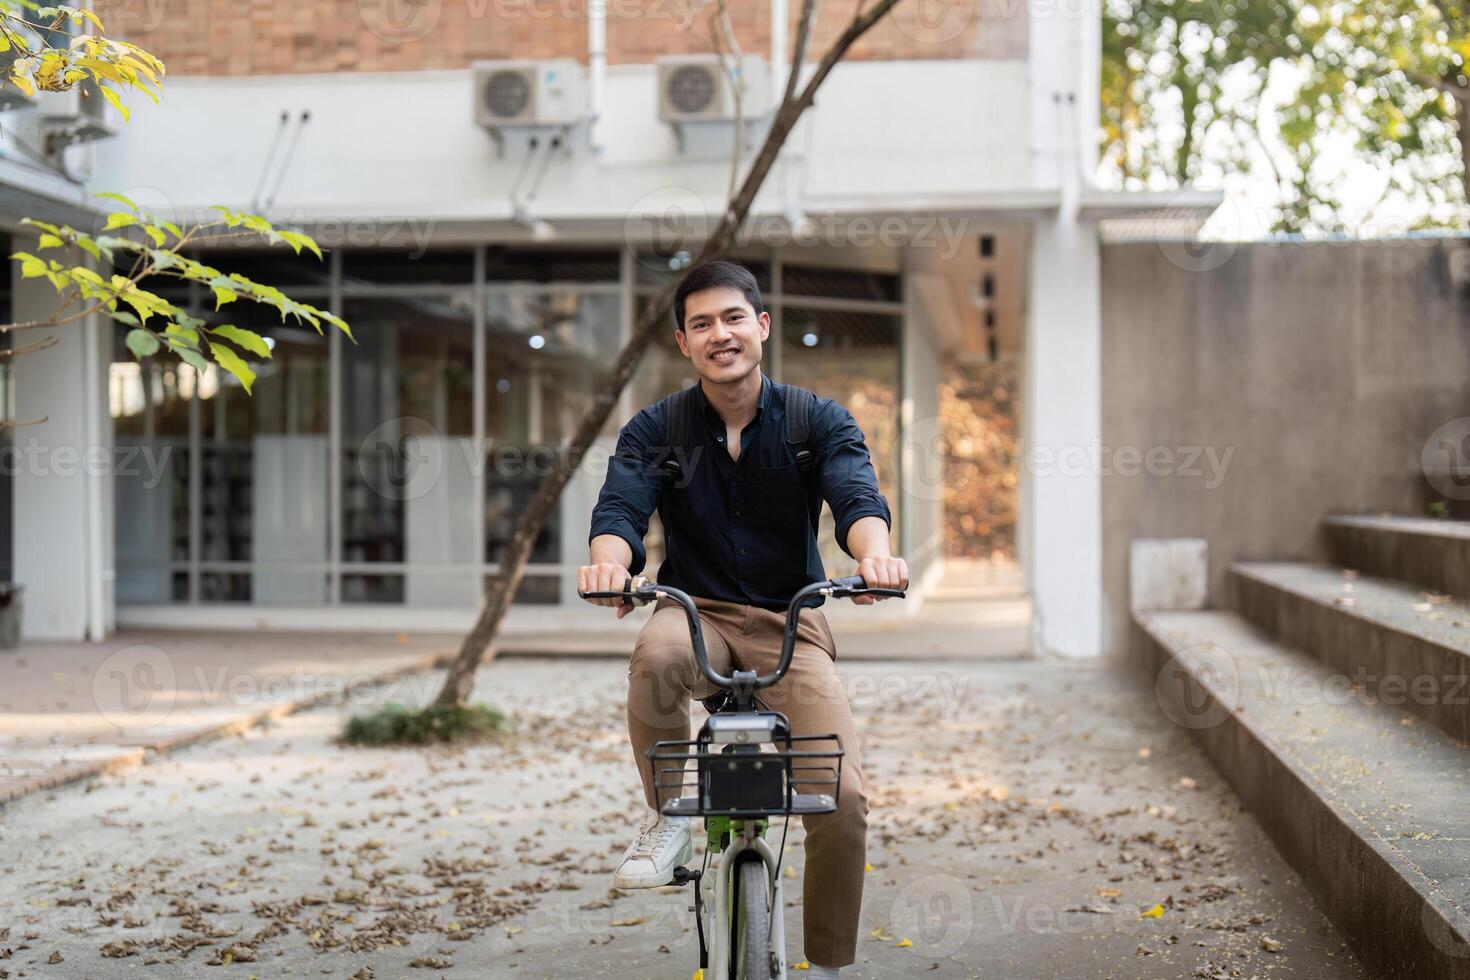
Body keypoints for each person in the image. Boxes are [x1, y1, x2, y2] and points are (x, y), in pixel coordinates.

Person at [577, 260, 907, 978]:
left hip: (793, 619)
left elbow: (856, 499)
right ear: (683, 342)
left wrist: (876, 557)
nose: (720, 334)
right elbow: (621, 510)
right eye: (702, 324)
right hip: (695, 612)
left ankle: (827, 964)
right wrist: (610, 565)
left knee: (841, 796)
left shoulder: (818, 420)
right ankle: (669, 821)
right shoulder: (656, 428)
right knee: (656, 657)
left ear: (762, 326)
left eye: (733, 318)